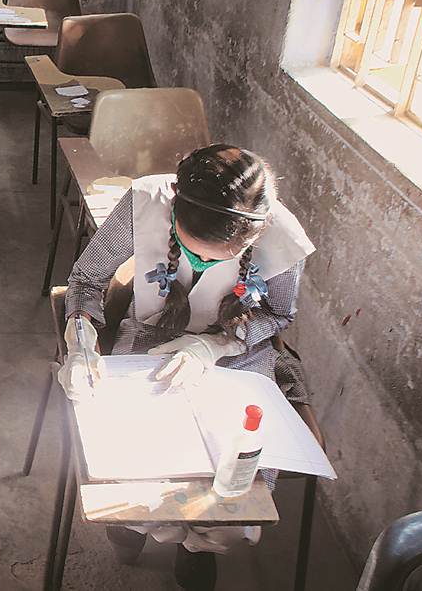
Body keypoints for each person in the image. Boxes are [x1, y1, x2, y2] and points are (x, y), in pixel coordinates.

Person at [59, 144, 315, 590]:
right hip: (150, 335)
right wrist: (81, 339)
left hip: (233, 349)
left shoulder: (283, 235)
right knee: (131, 457)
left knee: (235, 471)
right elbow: (87, 279)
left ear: (253, 235)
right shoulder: (145, 202)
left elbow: (277, 314)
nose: (205, 265)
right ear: (175, 206)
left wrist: (212, 345)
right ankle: (132, 526)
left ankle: (198, 544)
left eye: (218, 259)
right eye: (197, 254)